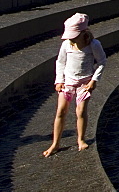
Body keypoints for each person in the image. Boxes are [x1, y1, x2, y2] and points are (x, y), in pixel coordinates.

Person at [42, 13, 106, 157]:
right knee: (60, 111)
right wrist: (59, 80)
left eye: (74, 36)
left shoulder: (93, 45)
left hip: (84, 83)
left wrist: (94, 80)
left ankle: (81, 139)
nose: (71, 39)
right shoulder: (67, 44)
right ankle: (55, 143)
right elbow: (60, 62)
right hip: (68, 82)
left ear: (83, 33)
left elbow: (102, 62)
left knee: (80, 111)